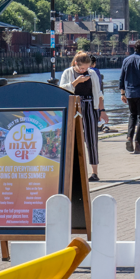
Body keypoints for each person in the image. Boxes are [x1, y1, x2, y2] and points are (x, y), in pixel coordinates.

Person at [60, 51, 106, 181]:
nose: (84, 70)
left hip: (90, 105)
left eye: (86, 68)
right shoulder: (68, 73)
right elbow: (62, 89)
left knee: (92, 137)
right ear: (75, 63)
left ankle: (94, 172)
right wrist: (76, 82)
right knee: (72, 137)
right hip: (74, 105)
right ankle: (74, 171)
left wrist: (102, 110)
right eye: (81, 68)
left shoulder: (92, 74)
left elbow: (98, 93)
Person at [119, 39, 140, 154]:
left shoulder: (126, 60)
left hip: (129, 93)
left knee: (132, 115)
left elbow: (122, 77)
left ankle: (129, 137)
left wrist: (122, 93)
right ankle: (138, 144)